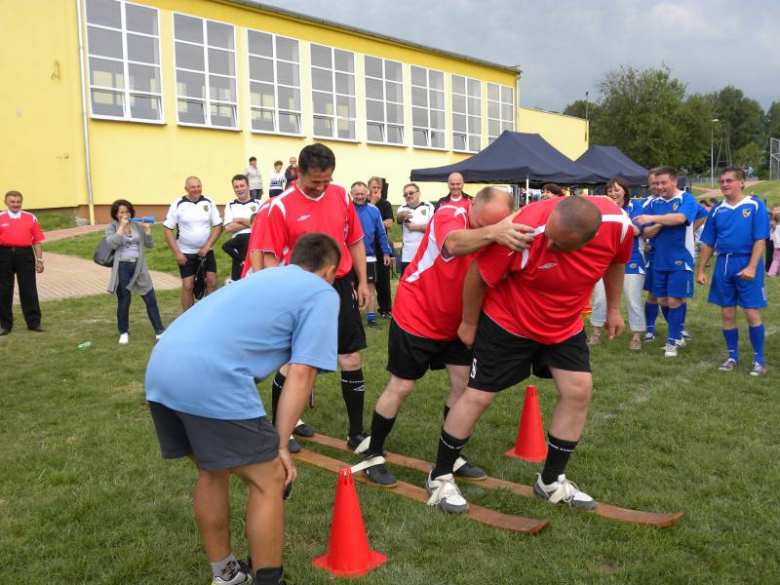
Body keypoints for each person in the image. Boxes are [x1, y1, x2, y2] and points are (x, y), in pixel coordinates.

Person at [146, 233, 341, 585]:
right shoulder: (322, 291)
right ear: (329, 272)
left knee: (213, 470)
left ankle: (227, 575)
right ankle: (269, 580)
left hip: (162, 369)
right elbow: (302, 371)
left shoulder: (265, 275)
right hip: (210, 377)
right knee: (270, 478)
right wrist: (280, 444)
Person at [424, 196, 633, 513]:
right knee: (478, 396)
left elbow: (616, 262)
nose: (547, 243)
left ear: (588, 239)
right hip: (510, 321)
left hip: (564, 322)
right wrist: (468, 323)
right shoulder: (524, 230)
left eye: (558, 243)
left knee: (579, 389)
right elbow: (478, 275)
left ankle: (550, 481)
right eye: (548, 234)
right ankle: (439, 476)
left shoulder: (618, 228)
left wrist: (614, 308)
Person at [360, 187, 535, 487]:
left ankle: (451, 454)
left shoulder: (502, 228)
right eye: (481, 224)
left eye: (497, 224)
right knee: (401, 386)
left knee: (464, 386)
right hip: (418, 314)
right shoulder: (449, 213)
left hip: (459, 322)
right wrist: (494, 232)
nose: (488, 231)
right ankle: (373, 454)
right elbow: (453, 244)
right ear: (472, 210)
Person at [261, 143, 371, 449]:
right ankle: (283, 428)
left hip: (337, 285)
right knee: (295, 362)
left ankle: (356, 433)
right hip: (299, 292)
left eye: (326, 180)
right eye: (314, 183)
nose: (321, 188)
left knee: (350, 356)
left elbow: (355, 241)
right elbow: (270, 258)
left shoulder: (341, 195)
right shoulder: (280, 206)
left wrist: (362, 281)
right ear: (298, 173)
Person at [696, 167, 769, 375]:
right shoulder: (718, 209)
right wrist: (701, 270)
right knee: (727, 312)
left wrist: (752, 267)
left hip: (746, 262)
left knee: (751, 312)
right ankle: (732, 356)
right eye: (722, 181)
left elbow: (760, 239)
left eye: (729, 180)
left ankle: (759, 360)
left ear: (742, 182)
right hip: (724, 264)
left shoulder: (755, 206)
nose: (725, 184)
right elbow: (708, 242)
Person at [634, 167, 697, 358]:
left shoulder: (686, 199)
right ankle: (678, 335)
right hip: (659, 259)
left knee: (674, 300)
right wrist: (663, 223)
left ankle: (672, 343)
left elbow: (680, 218)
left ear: (674, 182)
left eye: (663, 183)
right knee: (662, 300)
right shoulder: (655, 203)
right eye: (657, 183)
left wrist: (655, 220)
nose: (660, 187)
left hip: (680, 259)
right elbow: (646, 232)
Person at [589, 177, 645, 350]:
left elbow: (636, 230)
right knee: (600, 297)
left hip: (632, 260)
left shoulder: (635, 207)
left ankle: (636, 335)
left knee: (632, 298)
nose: (613, 193)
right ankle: (596, 333)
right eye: (610, 190)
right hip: (604, 260)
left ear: (625, 191)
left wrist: (616, 219)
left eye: (616, 189)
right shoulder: (601, 209)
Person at [104, 199, 165, 344]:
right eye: (122, 212)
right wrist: (121, 227)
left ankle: (159, 331)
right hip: (122, 268)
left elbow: (150, 244)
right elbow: (112, 243)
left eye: (127, 212)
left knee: (150, 298)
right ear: (116, 214)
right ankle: (123, 332)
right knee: (124, 300)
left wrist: (147, 229)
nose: (125, 215)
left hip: (139, 267)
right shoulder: (111, 227)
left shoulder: (137, 225)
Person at [163, 176, 223, 312]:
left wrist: (207, 246)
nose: (196, 190)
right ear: (186, 189)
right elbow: (167, 230)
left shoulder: (208, 201)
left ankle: (209, 315)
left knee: (212, 282)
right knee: (188, 285)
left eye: (198, 186)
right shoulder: (178, 204)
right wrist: (177, 253)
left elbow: (219, 226)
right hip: (185, 252)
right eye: (193, 187)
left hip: (207, 251)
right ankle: (187, 318)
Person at [0, 190, 45, 335]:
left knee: (29, 289)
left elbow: (37, 241)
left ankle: (34, 323)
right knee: (4, 290)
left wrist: (40, 260)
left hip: (25, 254)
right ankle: (6, 325)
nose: (15, 204)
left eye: (18, 202)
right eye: (12, 202)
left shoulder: (31, 218)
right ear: (6, 202)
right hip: (4, 254)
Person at [352, 182, 392, 329]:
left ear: (367, 194)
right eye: (357, 193)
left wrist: (386, 252)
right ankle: (352, 317)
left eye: (363, 193)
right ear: (352, 194)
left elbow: (381, 233)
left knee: (369, 287)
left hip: (369, 256)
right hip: (349, 257)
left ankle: (371, 318)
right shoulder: (346, 209)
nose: (360, 196)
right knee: (350, 287)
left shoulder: (374, 210)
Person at [221, 174, 260, 283]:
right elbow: (228, 227)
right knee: (238, 282)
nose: (239, 189)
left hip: (255, 245)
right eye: (236, 187)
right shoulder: (230, 205)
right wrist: (252, 223)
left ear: (248, 186)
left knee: (256, 280)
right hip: (238, 249)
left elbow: (261, 224)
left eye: (242, 185)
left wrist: (240, 219)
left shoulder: (258, 203)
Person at [368, 176, 394, 319]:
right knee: (365, 278)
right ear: (368, 188)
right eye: (373, 187)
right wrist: (372, 203)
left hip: (382, 245)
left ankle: (385, 309)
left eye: (378, 188)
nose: (376, 190)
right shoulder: (364, 202)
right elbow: (361, 221)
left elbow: (390, 223)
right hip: (366, 246)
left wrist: (375, 222)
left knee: (383, 279)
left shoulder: (385, 204)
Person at [396, 183, 435, 276]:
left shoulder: (428, 207)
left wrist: (416, 227)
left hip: (425, 255)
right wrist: (401, 215)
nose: (408, 196)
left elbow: (433, 227)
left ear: (418, 194)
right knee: (407, 285)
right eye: (405, 194)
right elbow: (399, 218)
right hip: (407, 256)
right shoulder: (402, 208)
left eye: (411, 193)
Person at [769, 209, 780, 277]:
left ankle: (774, 271)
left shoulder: (774, 227)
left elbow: (771, 237)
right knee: (776, 259)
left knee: (776, 258)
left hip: (776, 245)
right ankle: (772, 272)